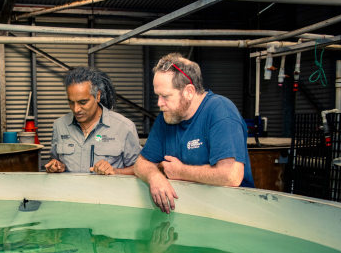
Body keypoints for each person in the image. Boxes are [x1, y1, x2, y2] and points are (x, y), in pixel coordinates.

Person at [134, 53, 254, 214]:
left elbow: (231, 175)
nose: (159, 103)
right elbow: (141, 163)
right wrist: (154, 177)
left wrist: (180, 171)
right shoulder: (166, 118)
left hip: (230, 214)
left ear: (189, 91)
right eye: (158, 95)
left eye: (166, 96)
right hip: (191, 210)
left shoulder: (220, 111)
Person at [46, 66, 142, 175]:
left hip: (107, 192)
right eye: (71, 102)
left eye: (83, 102)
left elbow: (140, 169)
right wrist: (56, 166)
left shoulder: (123, 127)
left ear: (98, 96)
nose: (76, 109)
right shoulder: (59, 126)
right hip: (69, 192)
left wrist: (114, 171)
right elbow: (54, 161)